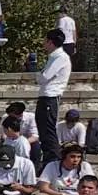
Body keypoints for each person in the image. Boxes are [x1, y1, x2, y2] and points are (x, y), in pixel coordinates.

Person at [35, 29, 70, 170]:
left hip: (51, 96)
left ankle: (53, 160)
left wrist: (39, 74)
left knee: (48, 131)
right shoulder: (53, 57)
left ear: (50, 42)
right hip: (44, 96)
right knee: (42, 130)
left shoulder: (61, 57)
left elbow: (44, 76)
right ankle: (48, 161)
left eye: (46, 41)